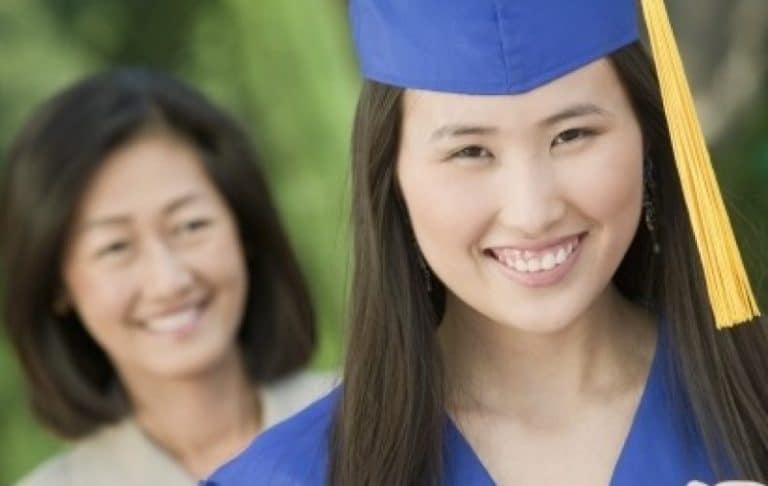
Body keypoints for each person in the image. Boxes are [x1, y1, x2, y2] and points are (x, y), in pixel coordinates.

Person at [205, 0, 768, 484]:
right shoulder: (289, 478)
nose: (532, 211)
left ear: (649, 139)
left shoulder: (753, 402)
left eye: (573, 135)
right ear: (392, 179)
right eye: (470, 151)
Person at [0, 68, 335, 486]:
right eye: (115, 247)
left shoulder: (384, 420)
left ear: (243, 229)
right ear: (57, 286)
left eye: (191, 226)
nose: (169, 281)